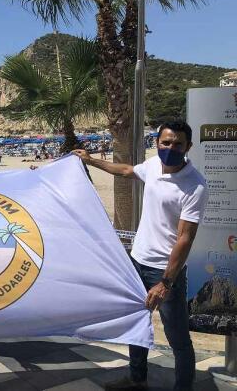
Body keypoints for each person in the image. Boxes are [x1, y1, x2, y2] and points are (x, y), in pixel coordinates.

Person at [73, 121, 208, 391]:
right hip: (137, 261)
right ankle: (137, 379)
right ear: (157, 142)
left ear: (188, 146)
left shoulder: (195, 186)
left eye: (178, 144)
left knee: (177, 337)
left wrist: (166, 282)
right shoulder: (153, 166)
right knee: (137, 324)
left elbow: (185, 238)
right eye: (166, 142)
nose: (171, 148)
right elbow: (124, 170)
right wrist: (90, 161)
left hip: (165, 272)